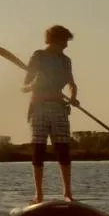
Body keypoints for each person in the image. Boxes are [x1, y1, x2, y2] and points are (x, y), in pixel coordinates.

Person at [23, 24, 79, 203]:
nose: (66, 45)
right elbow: (23, 87)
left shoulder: (65, 61)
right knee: (38, 149)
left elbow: (72, 83)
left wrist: (73, 96)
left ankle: (68, 194)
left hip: (59, 108)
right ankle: (38, 195)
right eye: (64, 42)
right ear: (55, 40)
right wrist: (33, 85)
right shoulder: (38, 56)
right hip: (39, 107)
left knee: (63, 149)